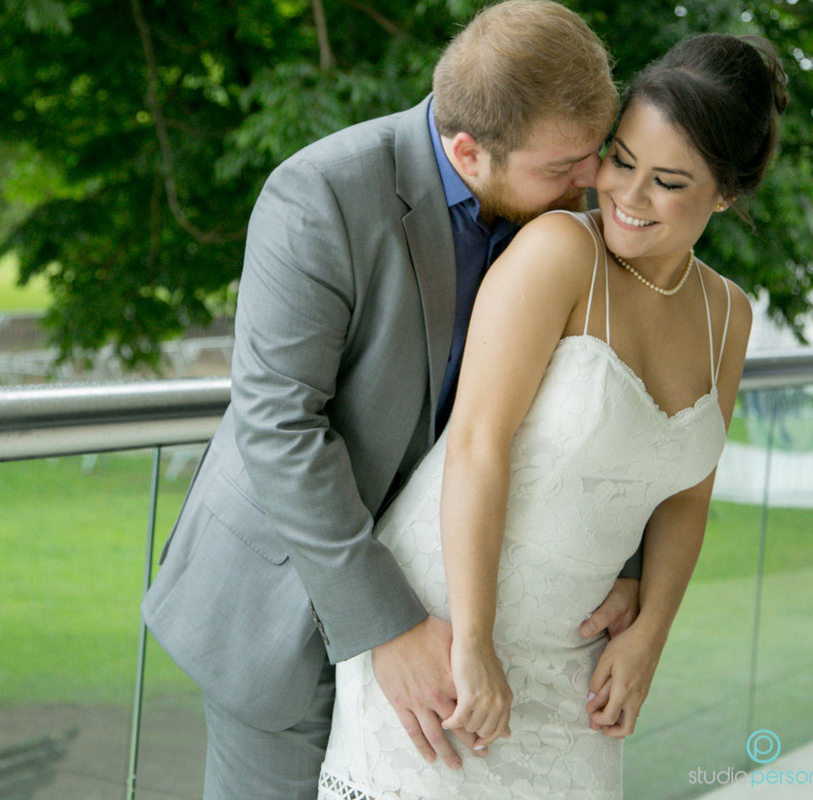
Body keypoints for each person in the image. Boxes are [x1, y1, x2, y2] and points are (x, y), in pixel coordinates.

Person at [141, 2, 643, 797]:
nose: (593, 182)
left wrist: (627, 568)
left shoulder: (565, 220)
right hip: (289, 609)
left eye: (596, 152)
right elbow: (279, 426)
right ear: (468, 150)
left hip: (470, 629)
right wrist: (389, 625)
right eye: (563, 166)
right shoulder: (319, 194)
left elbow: (602, 401)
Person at [318, 32, 786, 798]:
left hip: (578, 663)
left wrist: (649, 636)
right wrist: (473, 641)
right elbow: (476, 443)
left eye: (668, 181)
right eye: (621, 160)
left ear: (726, 194)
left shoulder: (726, 316)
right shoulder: (559, 251)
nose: (628, 195)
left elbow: (686, 498)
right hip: (446, 622)